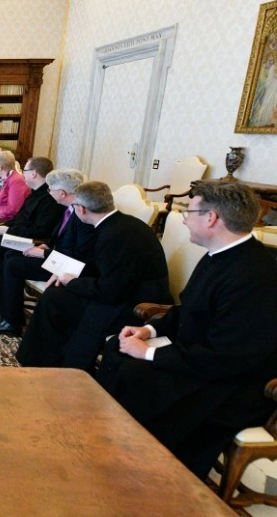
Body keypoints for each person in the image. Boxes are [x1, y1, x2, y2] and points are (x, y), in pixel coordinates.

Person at [97, 181, 277, 479]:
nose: (183, 218)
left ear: (211, 218)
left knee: (138, 375)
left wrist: (152, 356)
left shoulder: (254, 274)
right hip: (204, 359)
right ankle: (110, 440)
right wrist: (150, 332)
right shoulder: (220, 254)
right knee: (118, 351)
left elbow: (229, 357)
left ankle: (140, 467)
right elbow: (189, 309)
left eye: (189, 211)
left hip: (234, 381)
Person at [14, 181, 172, 372]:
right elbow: (101, 269)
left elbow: (110, 290)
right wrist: (66, 273)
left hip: (134, 304)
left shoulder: (113, 234)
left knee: (56, 298)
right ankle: (45, 360)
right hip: (121, 290)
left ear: (81, 209)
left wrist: (72, 281)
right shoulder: (118, 224)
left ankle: (60, 366)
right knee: (55, 296)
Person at [0, 169, 96, 336]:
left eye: (51, 189)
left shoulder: (81, 213)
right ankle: (7, 311)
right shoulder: (68, 208)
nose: (48, 192)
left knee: (14, 264)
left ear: (62, 193)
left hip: (67, 265)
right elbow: (59, 237)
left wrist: (43, 254)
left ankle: (11, 323)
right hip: (55, 255)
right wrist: (46, 246)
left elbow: (77, 252)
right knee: (12, 254)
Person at [0, 156, 62, 295]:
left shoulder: (49, 199)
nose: (22, 173)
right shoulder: (35, 192)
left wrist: (8, 229)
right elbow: (21, 217)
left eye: (25, 170)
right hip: (15, 232)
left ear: (34, 173)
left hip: (27, 240)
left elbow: (41, 230)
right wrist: (6, 226)